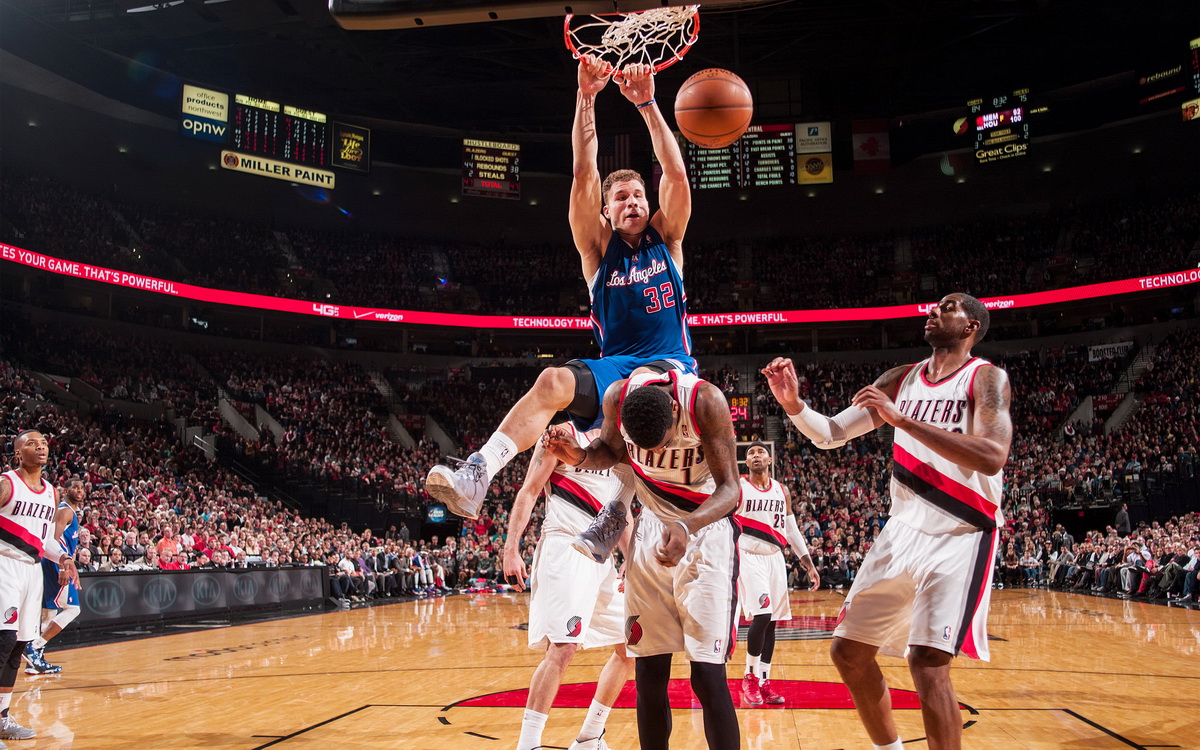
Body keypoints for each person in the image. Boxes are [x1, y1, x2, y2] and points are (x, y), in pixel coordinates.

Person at [426, 56, 696, 519]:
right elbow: (583, 174)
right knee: (552, 380)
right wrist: (586, 97)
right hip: (618, 367)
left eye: (638, 196)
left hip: (669, 368)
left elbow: (674, 174)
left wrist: (649, 104)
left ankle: (622, 512)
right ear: (605, 212)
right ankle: (478, 474)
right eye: (620, 198)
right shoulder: (596, 249)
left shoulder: (667, 239)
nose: (631, 201)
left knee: (627, 418)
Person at [762, 293, 1012, 750]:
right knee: (849, 652)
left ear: (972, 326)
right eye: (934, 306)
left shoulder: (986, 378)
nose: (933, 311)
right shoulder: (901, 378)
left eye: (948, 307)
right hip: (902, 530)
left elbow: (993, 456)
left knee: (927, 661)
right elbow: (832, 434)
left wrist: (904, 421)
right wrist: (795, 406)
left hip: (962, 530)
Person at [543, 369, 742, 750]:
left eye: (662, 443)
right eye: (644, 448)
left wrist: (687, 526)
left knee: (707, 677)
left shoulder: (705, 402)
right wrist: (581, 455)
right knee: (649, 670)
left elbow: (731, 490)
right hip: (651, 529)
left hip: (705, 531)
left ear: (673, 409)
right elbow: (610, 452)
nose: (652, 456)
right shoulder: (618, 396)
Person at [502, 423, 636, 750]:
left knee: (632, 645)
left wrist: (632, 565)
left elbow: (622, 515)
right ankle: (528, 744)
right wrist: (510, 549)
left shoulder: (622, 449)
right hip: (566, 543)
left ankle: (590, 736)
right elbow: (529, 490)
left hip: (602, 556)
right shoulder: (564, 434)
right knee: (563, 648)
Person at [0, 430, 79, 742]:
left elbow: (44, 539)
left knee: (18, 647)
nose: (41, 447)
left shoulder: (50, 492)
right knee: (3, 642)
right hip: (4, 565)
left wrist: (64, 558)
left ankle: (3, 717)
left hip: (32, 571)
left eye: (44, 443)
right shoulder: (6, 483)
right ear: (18, 453)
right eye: (31, 443)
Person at [734, 441, 819, 707]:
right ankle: (748, 677)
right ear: (746, 463)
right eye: (750, 453)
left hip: (775, 558)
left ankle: (764, 681)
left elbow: (792, 529)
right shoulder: (738, 487)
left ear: (769, 459)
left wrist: (808, 562)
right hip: (748, 555)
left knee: (773, 622)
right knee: (762, 614)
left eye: (760, 452)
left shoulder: (782, 491)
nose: (756, 455)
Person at [24, 476, 85, 676]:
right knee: (70, 609)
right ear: (65, 490)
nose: (80, 491)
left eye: (82, 488)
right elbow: (52, 539)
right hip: (56, 564)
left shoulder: (70, 511)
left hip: (56, 563)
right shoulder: (65, 511)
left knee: (50, 613)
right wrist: (61, 568)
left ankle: (34, 659)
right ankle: (34, 647)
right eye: (75, 487)